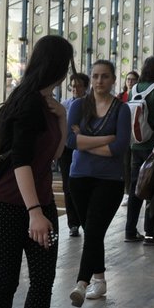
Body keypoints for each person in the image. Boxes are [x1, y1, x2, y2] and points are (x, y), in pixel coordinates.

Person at [0, 35, 75, 308]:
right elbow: (21, 162)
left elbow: (54, 155)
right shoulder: (28, 103)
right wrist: (34, 211)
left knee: (43, 279)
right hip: (6, 204)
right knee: (6, 277)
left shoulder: (47, 105)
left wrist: (63, 120)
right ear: (59, 66)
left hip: (40, 205)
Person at [65, 60, 128, 307]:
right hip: (79, 177)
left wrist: (86, 140)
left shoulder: (121, 109)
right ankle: (100, 279)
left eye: (104, 77)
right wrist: (105, 140)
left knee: (93, 230)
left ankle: (82, 283)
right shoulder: (79, 105)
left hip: (110, 180)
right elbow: (70, 141)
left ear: (113, 79)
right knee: (93, 231)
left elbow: (119, 147)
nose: (99, 81)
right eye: (95, 76)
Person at [124, 56, 154, 241]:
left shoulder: (134, 89)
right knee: (153, 188)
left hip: (136, 144)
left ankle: (130, 231)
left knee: (136, 187)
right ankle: (151, 232)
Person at [59, 72, 89, 238]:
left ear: (85, 87)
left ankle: (84, 219)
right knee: (68, 186)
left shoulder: (90, 104)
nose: (75, 89)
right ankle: (73, 223)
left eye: (79, 86)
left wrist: (82, 131)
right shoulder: (64, 105)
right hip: (66, 149)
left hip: (84, 148)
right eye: (73, 86)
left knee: (82, 185)